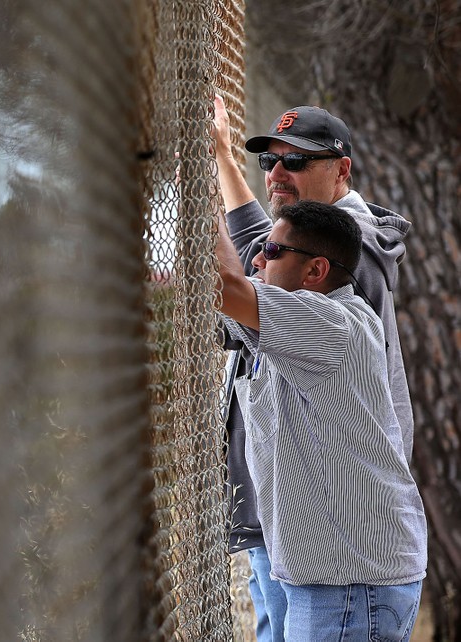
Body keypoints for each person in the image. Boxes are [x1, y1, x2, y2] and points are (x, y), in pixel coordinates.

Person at [211, 97, 417, 641]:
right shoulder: (307, 276)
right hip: (318, 557)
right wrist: (223, 163)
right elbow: (269, 257)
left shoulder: (335, 306)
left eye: (296, 161)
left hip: (348, 575)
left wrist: (190, 174)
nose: (277, 173)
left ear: (340, 169)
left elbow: (238, 285)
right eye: (269, 163)